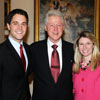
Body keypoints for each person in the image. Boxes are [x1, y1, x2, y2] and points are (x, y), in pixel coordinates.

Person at [30, 10, 74, 100]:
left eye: (58, 25)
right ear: (46, 27)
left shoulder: (73, 49)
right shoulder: (34, 49)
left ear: (63, 27)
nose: (55, 29)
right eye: (51, 25)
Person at [0, 9, 31, 100]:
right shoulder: (1, 51)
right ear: (8, 26)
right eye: (15, 23)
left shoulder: (28, 49)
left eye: (23, 24)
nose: (20, 28)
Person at [72, 31, 100, 100]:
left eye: (88, 43)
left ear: (93, 45)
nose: (85, 47)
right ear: (77, 47)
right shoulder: (75, 66)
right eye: (81, 44)